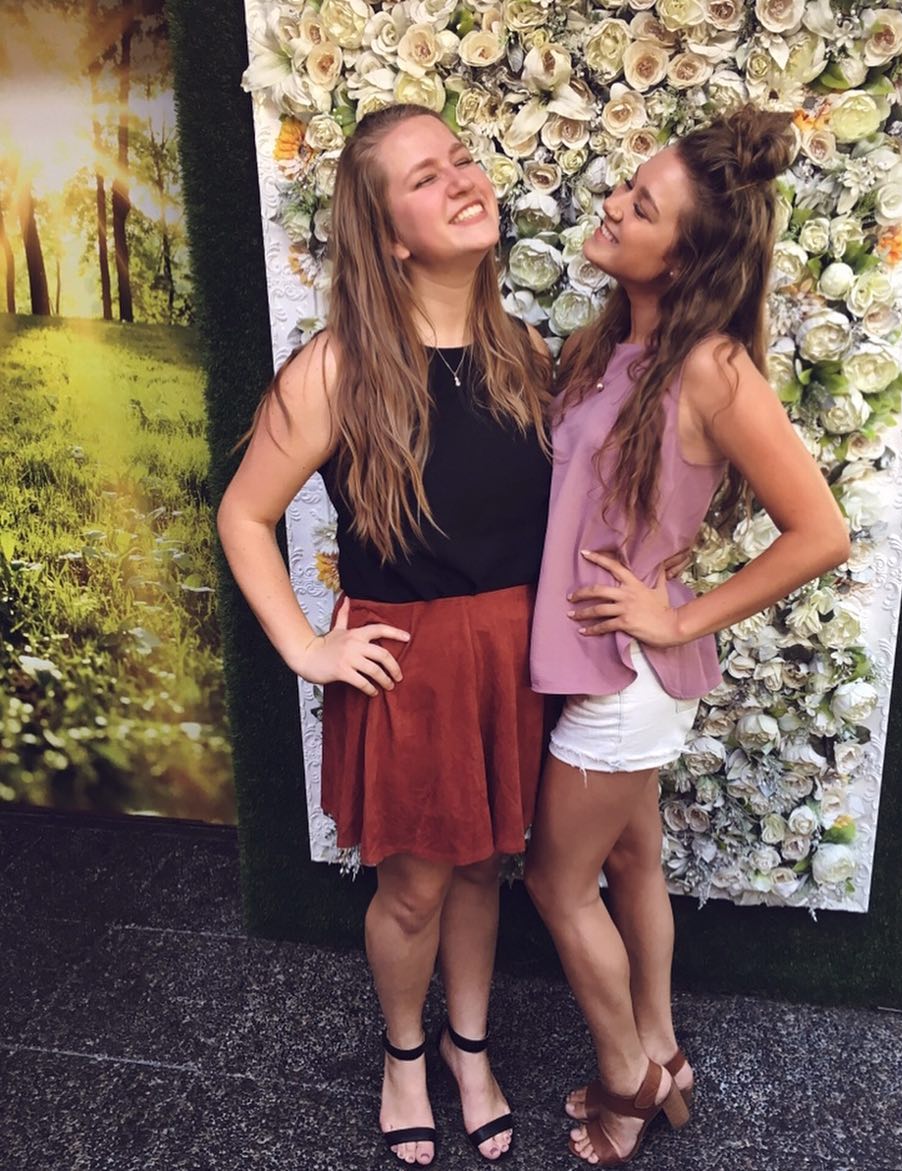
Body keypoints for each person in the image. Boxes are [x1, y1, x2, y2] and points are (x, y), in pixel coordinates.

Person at [217, 104, 555, 1166]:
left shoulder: (523, 353)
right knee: (414, 886)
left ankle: (469, 1046)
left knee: (483, 868)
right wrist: (305, 647)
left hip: (510, 654)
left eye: (461, 157)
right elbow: (243, 514)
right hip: (407, 665)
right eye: (424, 177)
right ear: (389, 235)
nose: (461, 178)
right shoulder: (335, 370)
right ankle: (404, 1054)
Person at [523, 106, 851, 1168]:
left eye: (641, 205)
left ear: (684, 256)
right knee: (632, 860)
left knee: (555, 883)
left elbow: (821, 532)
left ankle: (626, 1077)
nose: (613, 206)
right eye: (626, 187)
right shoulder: (611, 345)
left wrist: (676, 614)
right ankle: (662, 1050)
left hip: (619, 676)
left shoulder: (710, 367)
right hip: (601, 666)